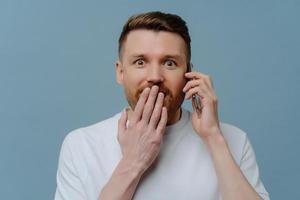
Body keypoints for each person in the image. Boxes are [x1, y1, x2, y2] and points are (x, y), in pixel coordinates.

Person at [55, 11, 270, 200]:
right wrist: (132, 163)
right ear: (120, 72)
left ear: (189, 74)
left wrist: (213, 137)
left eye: (170, 63)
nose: (155, 77)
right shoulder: (80, 146)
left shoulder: (233, 140)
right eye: (140, 62)